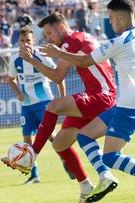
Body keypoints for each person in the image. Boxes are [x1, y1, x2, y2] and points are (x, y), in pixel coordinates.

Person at [38, 0, 135, 202]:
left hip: (130, 108)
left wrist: (58, 53)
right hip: (125, 103)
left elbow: (83, 61)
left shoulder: (119, 42)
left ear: (120, 18)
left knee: (111, 156)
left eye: (110, 18)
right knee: (84, 136)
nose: (110, 23)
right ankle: (105, 177)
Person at [18, 12, 116, 202]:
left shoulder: (70, 41)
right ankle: (86, 186)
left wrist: (31, 61)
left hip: (101, 96)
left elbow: (57, 77)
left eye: (49, 33)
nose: (48, 38)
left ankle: (31, 156)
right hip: (104, 95)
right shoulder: (83, 36)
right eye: (46, 35)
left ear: (61, 27)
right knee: (60, 143)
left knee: (53, 106)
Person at [4, 26, 67, 184]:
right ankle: (34, 175)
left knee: (51, 135)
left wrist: (63, 99)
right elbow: (10, 79)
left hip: (44, 102)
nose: (25, 44)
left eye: (28, 41)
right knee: (27, 138)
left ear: (34, 42)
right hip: (26, 105)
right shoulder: (14, 59)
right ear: (18, 41)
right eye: (22, 41)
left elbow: (60, 77)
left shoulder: (41, 55)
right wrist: (18, 92)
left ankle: (67, 161)